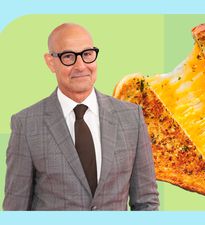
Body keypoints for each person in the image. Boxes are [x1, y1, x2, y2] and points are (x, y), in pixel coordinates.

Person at [3, 23, 159, 210]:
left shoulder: (131, 117)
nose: (81, 66)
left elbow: (146, 202)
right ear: (50, 62)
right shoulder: (27, 124)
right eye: (68, 56)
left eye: (87, 54)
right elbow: (15, 209)